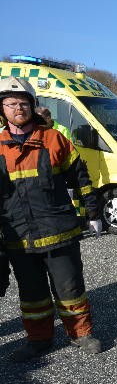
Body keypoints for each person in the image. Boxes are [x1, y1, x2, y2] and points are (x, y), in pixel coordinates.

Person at [0, 77, 103, 362]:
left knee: (70, 288)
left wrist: (92, 212)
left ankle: (81, 334)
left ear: (33, 106)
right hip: (19, 238)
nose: (18, 108)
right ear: (2, 109)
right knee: (32, 295)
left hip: (59, 232)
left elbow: (81, 177)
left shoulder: (54, 139)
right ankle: (38, 339)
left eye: (24, 103)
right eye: (11, 104)